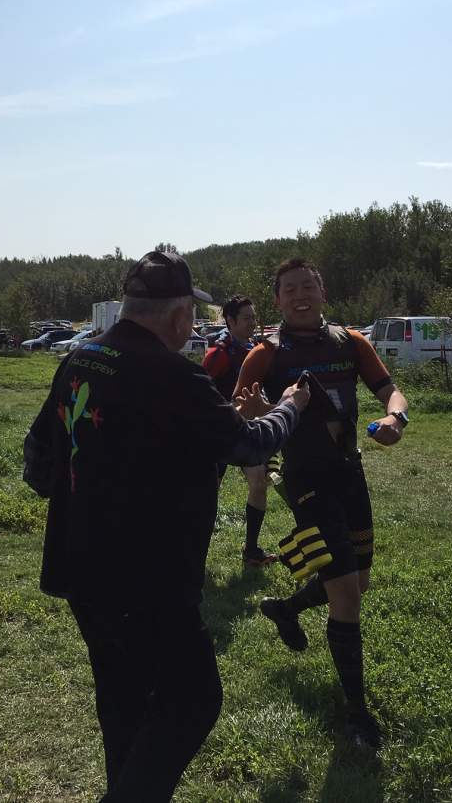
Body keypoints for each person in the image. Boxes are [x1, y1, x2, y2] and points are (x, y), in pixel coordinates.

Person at [23, 250, 310, 803]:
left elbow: (38, 464)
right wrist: (293, 405)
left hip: (81, 572)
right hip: (149, 581)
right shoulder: (176, 376)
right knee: (193, 699)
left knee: (122, 701)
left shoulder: (79, 361)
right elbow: (248, 444)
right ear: (180, 316)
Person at [233, 257, 408, 749]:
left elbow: (389, 390)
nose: (300, 294)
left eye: (308, 285)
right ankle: (356, 713)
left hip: (349, 472)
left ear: (323, 290)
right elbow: (238, 416)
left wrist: (396, 420)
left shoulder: (352, 343)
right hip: (305, 479)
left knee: (360, 581)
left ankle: (286, 608)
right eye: (290, 289)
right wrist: (259, 415)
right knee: (347, 594)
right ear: (278, 300)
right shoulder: (265, 354)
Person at [203, 294, 275, 566]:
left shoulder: (255, 351)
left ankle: (251, 551)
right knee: (208, 495)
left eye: (254, 318)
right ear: (230, 321)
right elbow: (200, 392)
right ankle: (191, 552)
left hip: (246, 432)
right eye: (246, 318)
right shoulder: (218, 355)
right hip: (219, 433)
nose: (252, 323)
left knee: (258, 483)